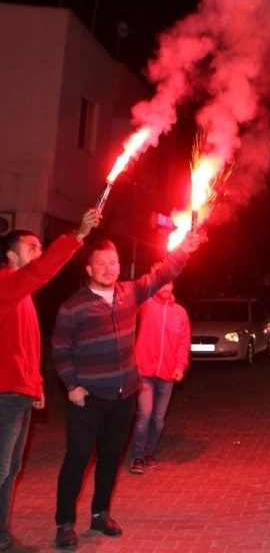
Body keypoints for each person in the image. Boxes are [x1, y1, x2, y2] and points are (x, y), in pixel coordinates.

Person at [51, 230, 201, 548]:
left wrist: (184, 250)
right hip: (87, 399)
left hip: (123, 398)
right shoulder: (74, 306)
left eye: (114, 262)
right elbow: (60, 348)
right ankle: (64, 523)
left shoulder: (129, 293)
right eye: (101, 263)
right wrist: (72, 384)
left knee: (109, 458)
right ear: (89, 269)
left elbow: (162, 273)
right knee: (77, 458)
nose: (109, 267)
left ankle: (100, 514)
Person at [0, 209, 100, 551]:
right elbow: (42, 270)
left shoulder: (20, 295)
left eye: (41, 247)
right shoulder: (5, 283)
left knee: (10, 470)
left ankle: (1, 537)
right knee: (1, 469)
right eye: (32, 248)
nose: (38, 254)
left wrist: (36, 386)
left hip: (18, 391)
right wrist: (77, 236)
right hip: (3, 394)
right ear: (11, 256)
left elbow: (25, 346)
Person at [127, 279, 190, 475]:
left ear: (173, 286)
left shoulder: (180, 312)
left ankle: (148, 452)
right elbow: (134, 297)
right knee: (144, 414)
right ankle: (136, 456)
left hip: (167, 375)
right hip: (144, 371)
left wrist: (180, 366)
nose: (165, 288)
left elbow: (183, 343)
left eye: (168, 284)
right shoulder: (147, 304)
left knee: (159, 419)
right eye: (161, 284)